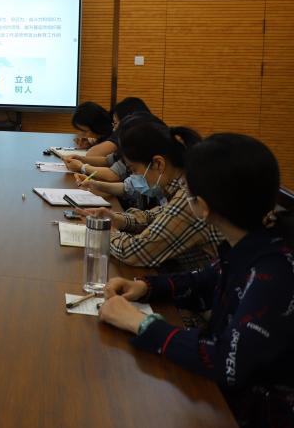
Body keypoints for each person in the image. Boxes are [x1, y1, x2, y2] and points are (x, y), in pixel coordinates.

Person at [98, 133, 294, 426]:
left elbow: (227, 362)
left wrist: (141, 323)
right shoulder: (257, 241)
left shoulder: (273, 270)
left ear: (201, 205)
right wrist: (145, 287)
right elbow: (202, 281)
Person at [76, 122, 224, 287]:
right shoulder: (180, 183)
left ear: (158, 164)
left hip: (198, 294)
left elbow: (134, 252)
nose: (133, 177)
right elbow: (155, 215)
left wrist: (107, 232)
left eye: (134, 170)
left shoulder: (190, 196)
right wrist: (116, 219)